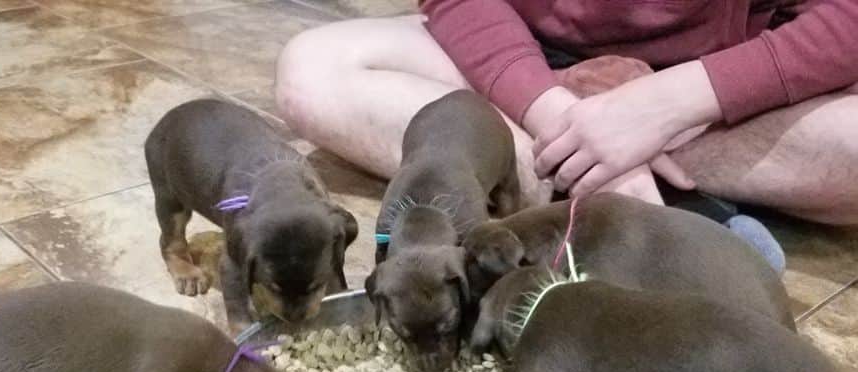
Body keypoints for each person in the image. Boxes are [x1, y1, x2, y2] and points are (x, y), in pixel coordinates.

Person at [274, 1, 858, 237]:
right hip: (521, 60)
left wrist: (671, 103)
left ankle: (589, 183)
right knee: (313, 72)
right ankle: (628, 192)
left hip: (702, 87)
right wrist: (552, 107)